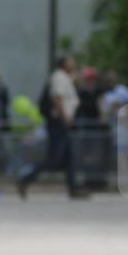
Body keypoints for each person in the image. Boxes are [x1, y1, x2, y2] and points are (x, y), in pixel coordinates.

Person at [18, 55, 84, 199]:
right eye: (70, 60)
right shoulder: (59, 77)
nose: (73, 63)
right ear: (64, 64)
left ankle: (73, 189)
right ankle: (26, 178)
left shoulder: (64, 77)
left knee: (69, 157)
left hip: (61, 122)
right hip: (58, 122)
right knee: (54, 159)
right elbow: (58, 98)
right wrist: (65, 118)